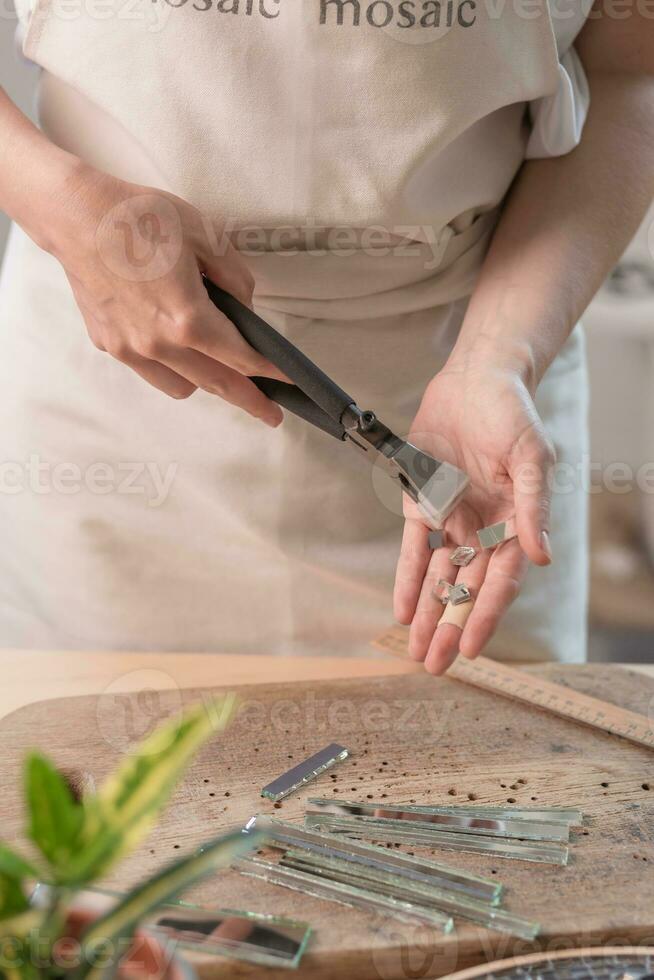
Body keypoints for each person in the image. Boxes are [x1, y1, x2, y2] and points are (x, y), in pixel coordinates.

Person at [0, 0, 652, 669]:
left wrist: (499, 357)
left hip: (477, 374)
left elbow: (631, 68)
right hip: (110, 410)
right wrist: (67, 209)